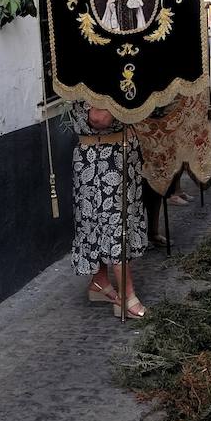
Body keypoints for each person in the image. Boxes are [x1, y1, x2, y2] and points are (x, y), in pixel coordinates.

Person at [68, 101, 147, 319]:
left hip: (115, 154)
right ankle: (126, 295)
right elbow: (99, 118)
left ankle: (100, 282)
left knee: (105, 220)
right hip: (103, 157)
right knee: (114, 222)